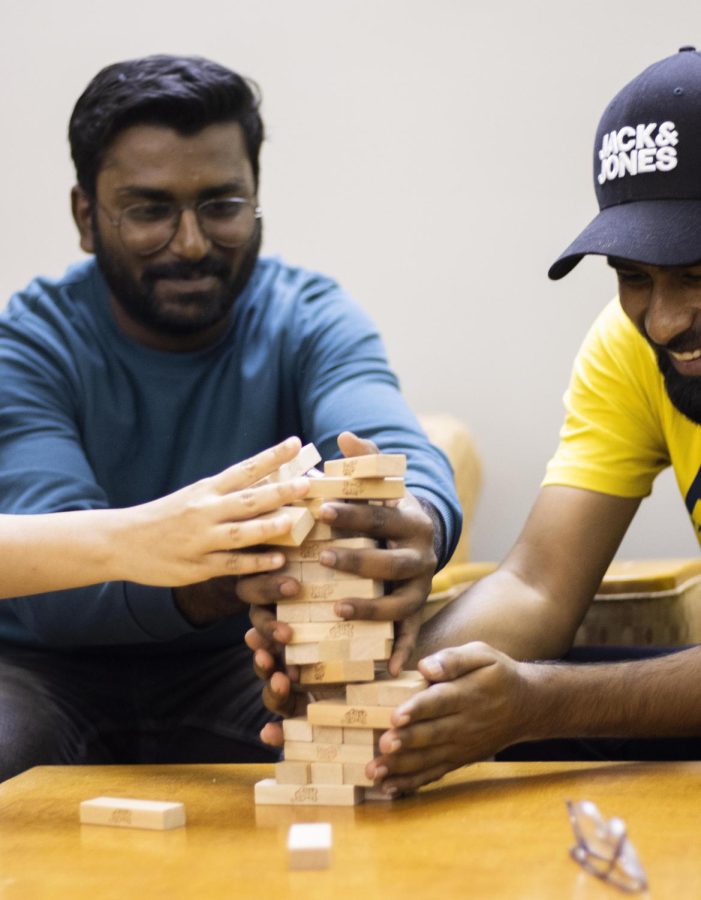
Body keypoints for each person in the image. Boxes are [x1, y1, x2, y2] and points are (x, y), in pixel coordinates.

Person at [250, 46, 701, 796]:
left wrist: (534, 703)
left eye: (695, 274)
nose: (663, 320)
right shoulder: (626, 346)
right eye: (634, 277)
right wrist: (374, 694)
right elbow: (536, 586)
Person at [0, 54, 461, 780]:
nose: (190, 244)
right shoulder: (31, 341)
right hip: (39, 673)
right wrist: (221, 574)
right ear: (86, 216)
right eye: (149, 210)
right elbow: (56, 594)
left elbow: (396, 450)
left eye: (221, 205)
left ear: (255, 199)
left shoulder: (309, 315)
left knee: (387, 749)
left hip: (237, 666)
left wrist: (418, 522)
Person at [0, 438, 310, 599]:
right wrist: (130, 540)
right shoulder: (31, 343)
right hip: (35, 662)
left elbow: (355, 434)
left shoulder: (311, 323)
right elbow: (45, 606)